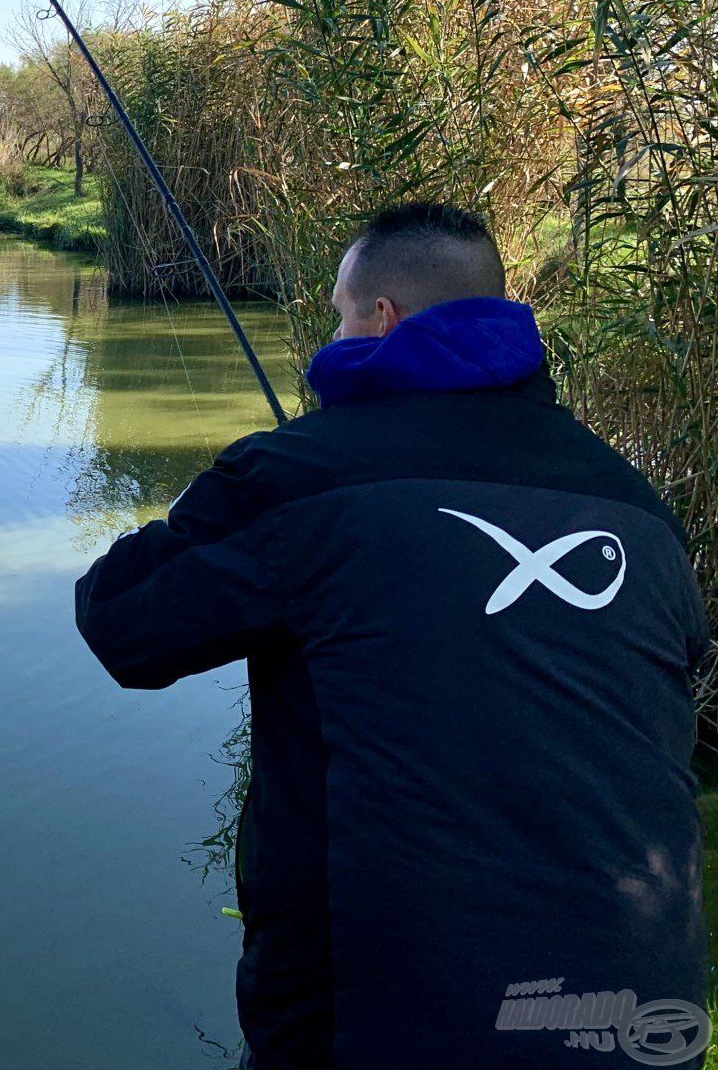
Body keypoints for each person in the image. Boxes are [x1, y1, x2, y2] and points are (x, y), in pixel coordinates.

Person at [74, 203, 709, 1070]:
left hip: (392, 1015)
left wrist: (234, 488)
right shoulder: (635, 504)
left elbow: (119, 619)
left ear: (382, 319)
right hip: (638, 1011)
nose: (333, 331)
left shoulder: (298, 477)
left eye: (339, 313)